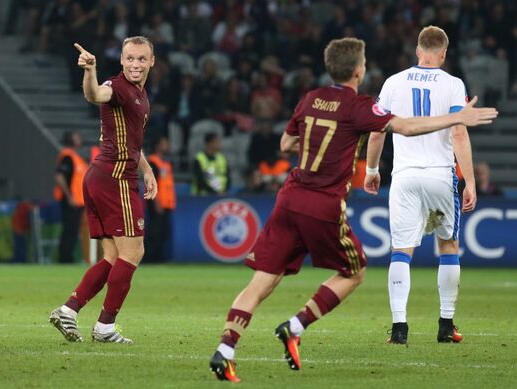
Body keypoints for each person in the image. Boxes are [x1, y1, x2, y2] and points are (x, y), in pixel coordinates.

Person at [209, 37, 497, 382]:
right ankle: (295, 325)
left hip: (288, 198)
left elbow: (286, 143)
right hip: (322, 204)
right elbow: (404, 126)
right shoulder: (359, 106)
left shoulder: (310, 98)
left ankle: (225, 350)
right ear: (359, 70)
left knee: (263, 281)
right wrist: (457, 118)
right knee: (355, 271)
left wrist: (321, 141)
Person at [364, 26, 478, 345]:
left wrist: (372, 169)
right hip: (440, 176)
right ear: (443, 53)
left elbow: (376, 132)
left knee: (401, 251)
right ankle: (445, 325)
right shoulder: (454, 84)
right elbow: (458, 133)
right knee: (448, 247)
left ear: (417, 51)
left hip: (404, 177)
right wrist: (469, 181)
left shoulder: (392, 83)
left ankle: (399, 329)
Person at [49, 36, 158, 344]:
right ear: (122, 61)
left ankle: (68, 310)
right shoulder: (118, 87)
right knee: (134, 251)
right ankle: (105, 327)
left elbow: (133, 143)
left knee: (113, 256)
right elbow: (96, 94)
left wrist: (148, 170)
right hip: (116, 179)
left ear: (151, 62)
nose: (135, 64)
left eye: (141, 58)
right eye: (130, 58)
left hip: (102, 176)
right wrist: (90, 71)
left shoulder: (140, 95)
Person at [54, 131, 88, 263]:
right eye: (77, 136)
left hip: (78, 202)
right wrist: (69, 196)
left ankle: (67, 257)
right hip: (71, 201)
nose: (80, 138)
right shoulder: (67, 156)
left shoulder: (75, 157)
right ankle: (65, 258)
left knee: (73, 231)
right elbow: (59, 176)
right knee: (69, 230)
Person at [146, 136, 176, 262]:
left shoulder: (165, 163)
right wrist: (156, 202)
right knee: (155, 233)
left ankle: (159, 258)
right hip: (157, 203)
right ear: (158, 145)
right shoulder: (152, 162)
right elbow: (151, 183)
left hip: (166, 204)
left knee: (163, 233)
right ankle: (151, 259)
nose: (167, 146)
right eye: (164, 143)